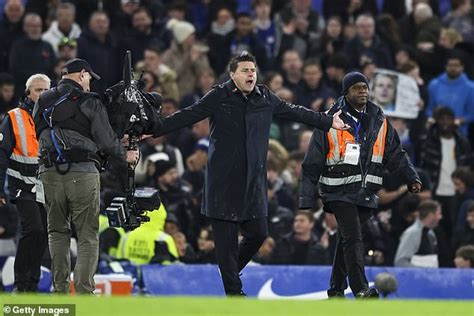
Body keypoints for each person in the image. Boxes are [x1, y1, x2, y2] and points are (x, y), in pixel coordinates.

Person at [152, 52, 348, 296]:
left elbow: (295, 111)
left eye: (253, 70)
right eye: (244, 70)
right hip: (223, 181)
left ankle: (230, 271)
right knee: (225, 243)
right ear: (232, 75)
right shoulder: (218, 96)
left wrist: (328, 121)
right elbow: (189, 114)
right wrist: (155, 129)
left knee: (258, 234)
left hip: (253, 182)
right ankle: (234, 293)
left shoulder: (265, 97)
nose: (250, 74)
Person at [299, 71, 421, 299]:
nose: (363, 91)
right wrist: (306, 197)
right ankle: (360, 289)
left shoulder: (380, 120)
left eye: (365, 87)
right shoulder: (328, 119)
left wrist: (411, 178)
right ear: (345, 93)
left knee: (347, 239)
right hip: (337, 190)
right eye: (357, 88)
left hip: (366, 192)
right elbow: (312, 161)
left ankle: (336, 289)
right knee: (353, 237)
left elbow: (395, 153)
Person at [32, 58, 139, 294]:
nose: (90, 83)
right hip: (82, 173)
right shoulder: (89, 100)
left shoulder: (42, 99)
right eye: (89, 77)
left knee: (57, 232)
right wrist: (126, 154)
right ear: (82, 74)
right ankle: (84, 293)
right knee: (87, 235)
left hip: (49, 173)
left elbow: (38, 132)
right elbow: (105, 140)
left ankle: (59, 292)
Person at [0, 74, 50, 292]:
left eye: (46, 90)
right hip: (21, 186)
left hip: (46, 187)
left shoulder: (55, 117)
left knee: (42, 234)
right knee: (34, 229)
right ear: (28, 92)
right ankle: (22, 283)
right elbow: (1, 154)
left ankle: (31, 283)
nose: (42, 94)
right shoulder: (14, 117)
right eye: (38, 90)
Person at [394, 200, 443, 268]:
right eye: (439, 213)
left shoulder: (430, 233)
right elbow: (400, 262)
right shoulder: (412, 233)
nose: (440, 217)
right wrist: (424, 272)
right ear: (431, 215)